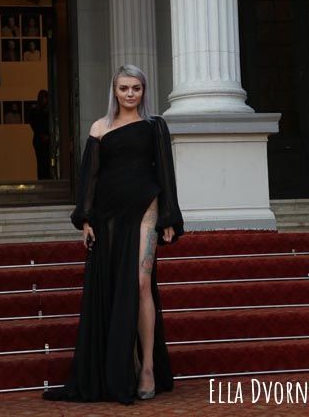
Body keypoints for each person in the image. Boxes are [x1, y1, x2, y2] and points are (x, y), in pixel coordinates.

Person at [42, 64, 184, 406]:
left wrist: (169, 216)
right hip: (108, 215)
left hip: (145, 208)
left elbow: (165, 171)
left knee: (141, 283)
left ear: (143, 90)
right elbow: (89, 178)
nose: (130, 94)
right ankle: (127, 365)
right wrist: (85, 219)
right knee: (115, 288)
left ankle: (147, 367)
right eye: (124, 88)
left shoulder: (154, 126)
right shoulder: (99, 128)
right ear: (114, 91)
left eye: (136, 88)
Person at [29, 89, 50, 179]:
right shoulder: (35, 111)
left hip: (46, 140)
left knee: (47, 162)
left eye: (45, 98)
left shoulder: (48, 111)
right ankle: (42, 179)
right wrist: (42, 134)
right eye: (43, 98)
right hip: (39, 140)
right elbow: (34, 125)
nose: (44, 100)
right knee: (41, 162)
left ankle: (46, 179)